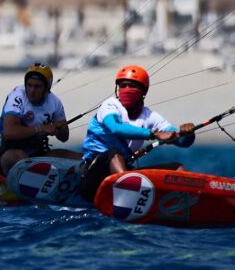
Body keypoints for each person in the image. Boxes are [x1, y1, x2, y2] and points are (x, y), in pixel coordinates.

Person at [75, 64, 195, 198]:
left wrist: (187, 134)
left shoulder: (150, 116)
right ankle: (127, 193)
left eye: (132, 86)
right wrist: (153, 134)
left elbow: (180, 140)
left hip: (122, 173)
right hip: (91, 175)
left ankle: (187, 201)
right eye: (123, 85)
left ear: (143, 92)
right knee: (114, 153)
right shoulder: (109, 106)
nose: (126, 89)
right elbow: (116, 128)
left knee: (177, 168)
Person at [0, 63, 72, 176]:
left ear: (47, 87)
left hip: (38, 153)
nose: (31, 91)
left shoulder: (55, 102)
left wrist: (59, 128)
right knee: (24, 160)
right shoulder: (17, 96)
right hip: (10, 153)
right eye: (29, 85)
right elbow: (9, 132)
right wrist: (42, 128)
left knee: (75, 158)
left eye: (37, 86)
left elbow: (64, 137)